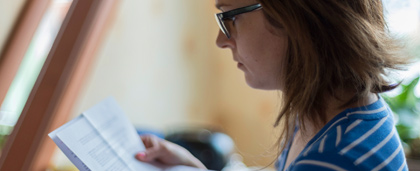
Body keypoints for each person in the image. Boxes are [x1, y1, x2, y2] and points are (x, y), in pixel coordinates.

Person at [136, 0, 409, 170]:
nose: (221, 40)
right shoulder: (327, 114)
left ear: (295, 17)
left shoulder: (336, 159)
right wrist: (192, 166)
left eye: (230, 16)